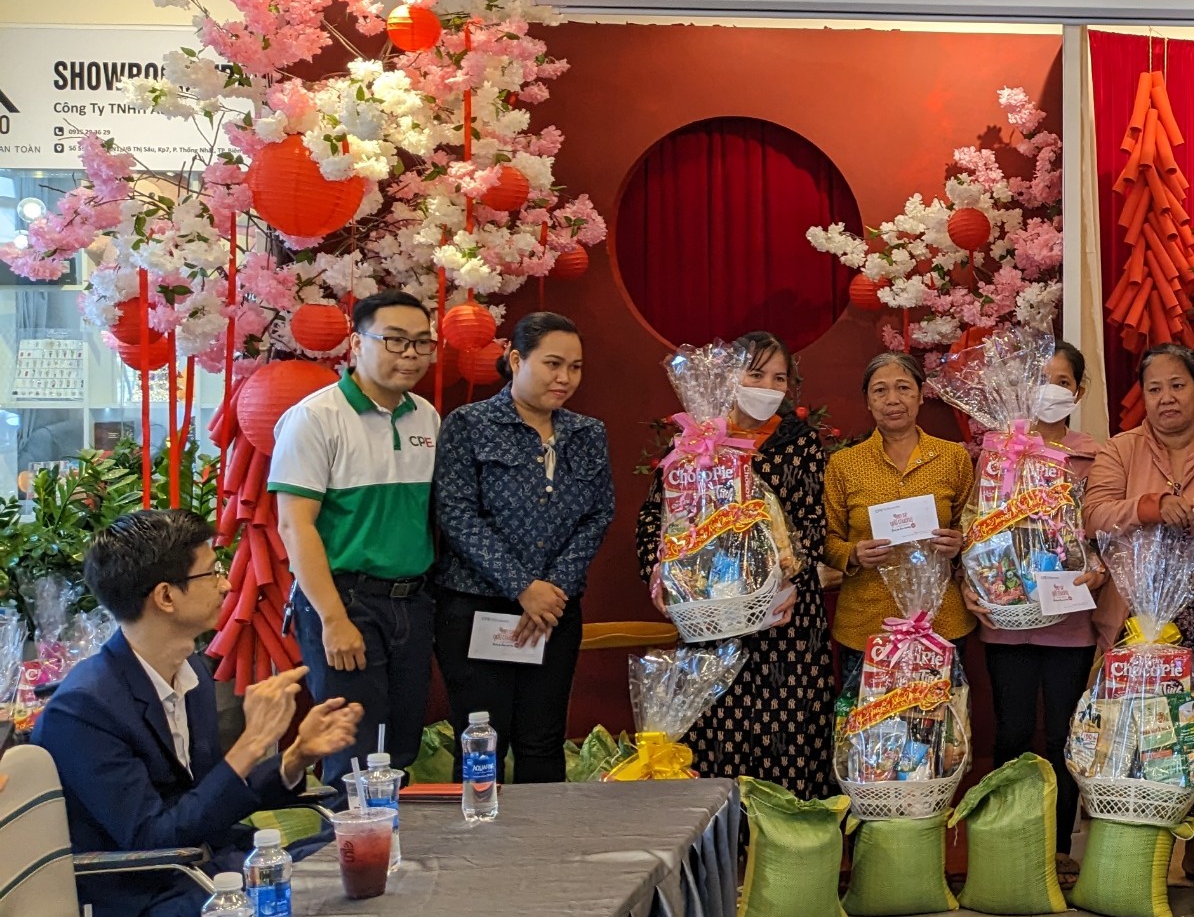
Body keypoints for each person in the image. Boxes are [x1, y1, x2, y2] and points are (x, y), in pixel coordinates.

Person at [35, 511, 363, 917]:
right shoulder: (83, 709)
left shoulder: (191, 671)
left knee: (350, 846)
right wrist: (250, 744)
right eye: (212, 573)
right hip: (149, 896)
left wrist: (295, 757)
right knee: (324, 901)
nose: (226, 586)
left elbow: (207, 797)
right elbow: (154, 839)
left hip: (211, 869)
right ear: (166, 596)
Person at [634, 332, 835, 799]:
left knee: (788, 737)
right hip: (709, 618)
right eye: (756, 374)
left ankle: (787, 833)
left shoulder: (800, 443)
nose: (768, 387)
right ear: (730, 378)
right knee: (714, 736)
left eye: (779, 378)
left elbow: (813, 523)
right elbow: (654, 524)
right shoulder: (694, 446)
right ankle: (723, 838)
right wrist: (664, 581)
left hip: (787, 621)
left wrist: (785, 576)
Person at [430, 312, 614, 785]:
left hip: (554, 610)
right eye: (553, 364)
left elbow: (598, 514)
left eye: (575, 367)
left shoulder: (588, 433)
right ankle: (478, 833)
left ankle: (542, 835)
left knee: (543, 742)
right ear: (516, 360)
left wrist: (551, 589)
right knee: (482, 742)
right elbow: (455, 514)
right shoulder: (469, 424)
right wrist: (522, 587)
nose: (564, 377)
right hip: (477, 607)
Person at [271, 288, 442, 782]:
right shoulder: (315, 418)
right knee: (353, 750)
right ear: (356, 343)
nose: (410, 354)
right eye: (394, 340)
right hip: (346, 599)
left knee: (402, 744)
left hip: (411, 601)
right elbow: (294, 524)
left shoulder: (426, 416)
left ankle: (398, 834)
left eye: (421, 343)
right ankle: (344, 833)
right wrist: (333, 618)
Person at [1086, 344, 1194, 739]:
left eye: (1177, 385)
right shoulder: (1120, 450)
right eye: (1154, 389)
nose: (1166, 397)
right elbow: (1093, 516)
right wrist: (1151, 506)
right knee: (1127, 742)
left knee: (1191, 742)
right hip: (1130, 616)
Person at [979, 341, 1107, 866]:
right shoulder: (999, 451)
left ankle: (1057, 849)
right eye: (1041, 379)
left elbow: (1100, 531)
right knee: (1010, 731)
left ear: (1079, 390)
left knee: (1062, 735)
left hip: (1069, 617)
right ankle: (1003, 843)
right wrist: (974, 580)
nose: (1050, 390)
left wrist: (1097, 569)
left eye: (1062, 381)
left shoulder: (1093, 456)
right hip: (1006, 616)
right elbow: (978, 523)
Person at [823, 350, 972, 657]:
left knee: (942, 693)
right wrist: (853, 554)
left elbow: (973, 528)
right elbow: (827, 539)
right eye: (880, 390)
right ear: (868, 401)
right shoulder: (844, 464)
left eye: (903, 388)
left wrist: (960, 544)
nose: (892, 399)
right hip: (866, 624)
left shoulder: (953, 458)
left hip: (942, 621)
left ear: (920, 395)